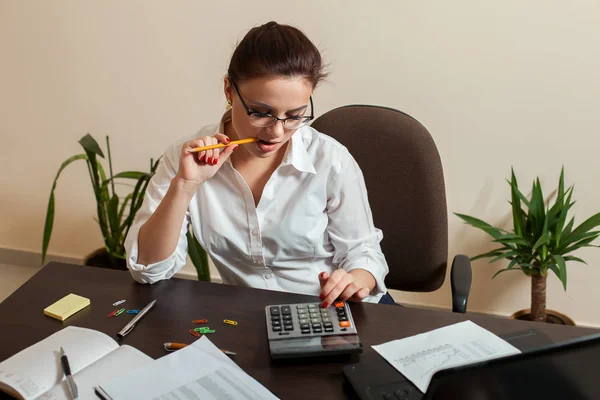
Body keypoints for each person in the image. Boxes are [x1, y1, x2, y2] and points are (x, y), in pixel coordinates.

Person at [125, 21, 391, 306]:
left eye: (294, 115)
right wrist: (185, 186)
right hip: (253, 317)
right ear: (229, 90)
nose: (277, 132)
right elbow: (149, 271)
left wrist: (356, 279)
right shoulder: (185, 158)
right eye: (261, 113)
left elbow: (364, 252)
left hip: (339, 310)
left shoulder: (330, 160)